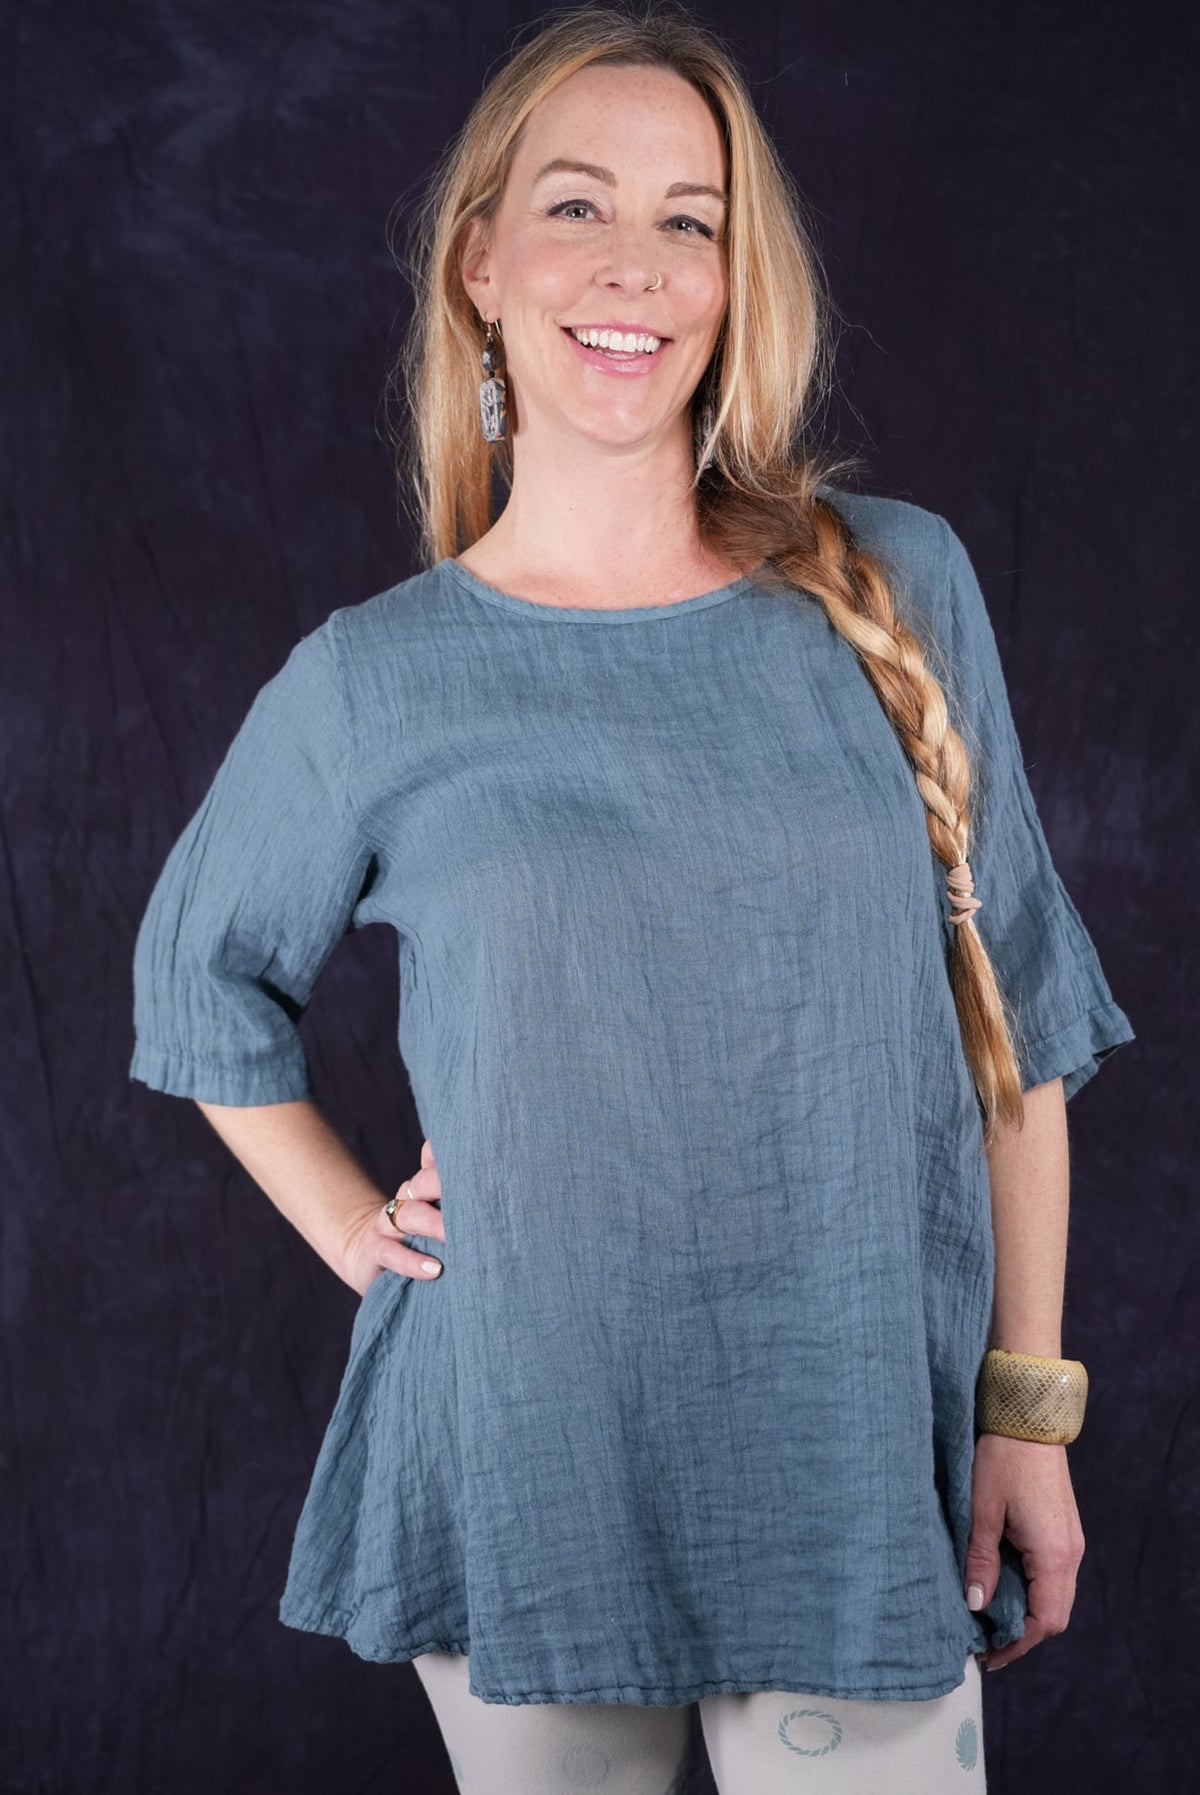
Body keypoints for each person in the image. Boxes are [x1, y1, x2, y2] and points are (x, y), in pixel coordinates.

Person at [128, 4, 1136, 1789]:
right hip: (530, 1449)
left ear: (738, 280)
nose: (636, 266)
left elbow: (1018, 1035)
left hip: (847, 1457)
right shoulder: (376, 679)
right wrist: (362, 1234)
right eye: (578, 206)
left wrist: (1029, 1413)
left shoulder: (896, 589)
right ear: (480, 262)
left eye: (691, 220)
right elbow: (201, 981)